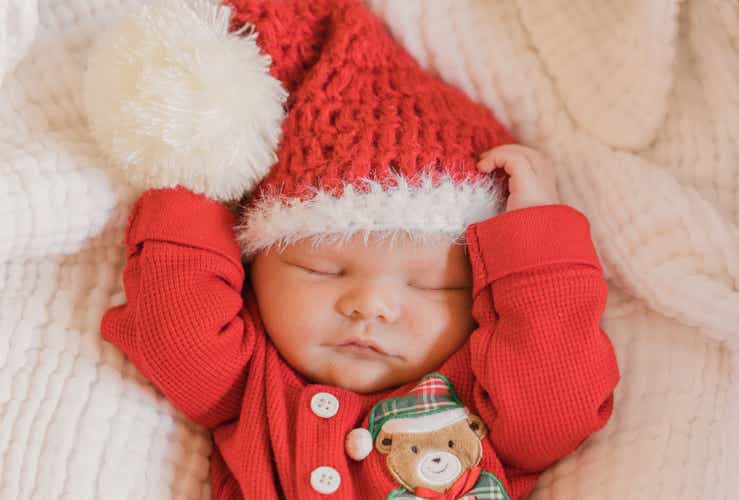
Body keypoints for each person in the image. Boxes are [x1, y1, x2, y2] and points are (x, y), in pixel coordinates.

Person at [85, 0, 619, 498]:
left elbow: (558, 407)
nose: (371, 304)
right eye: (322, 269)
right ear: (255, 267)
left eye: (432, 284)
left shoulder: (489, 400)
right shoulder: (252, 386)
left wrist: (534, 241)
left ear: (483, 298)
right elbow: (176, 333)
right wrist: (193, 176)